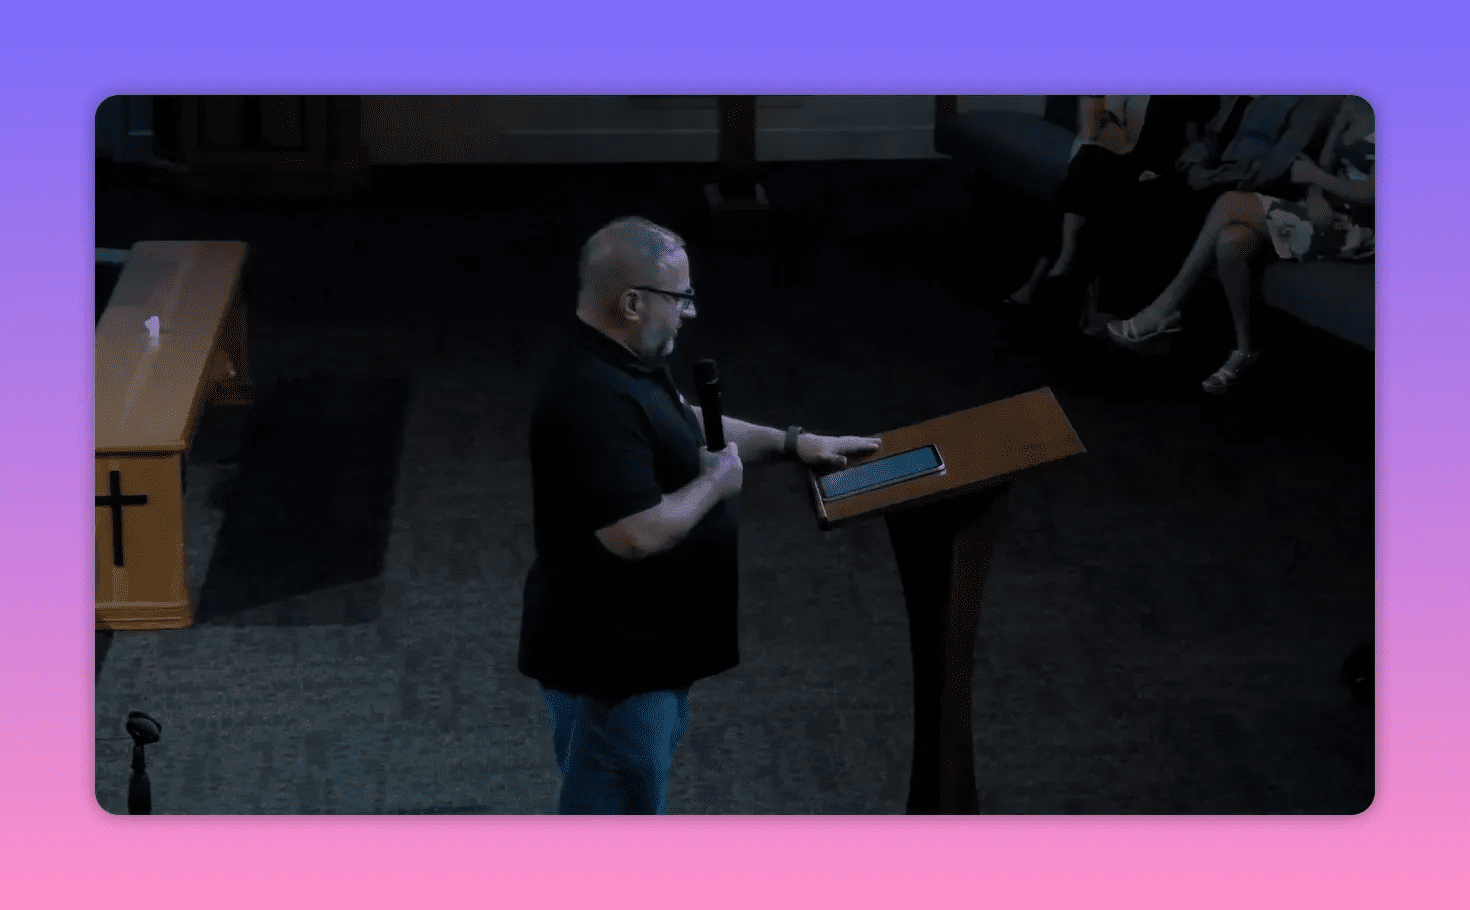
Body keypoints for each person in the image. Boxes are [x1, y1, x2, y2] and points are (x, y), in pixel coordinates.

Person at [518, 215, 882, 814]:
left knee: (621, 803)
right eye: (681, 297)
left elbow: (678, 419)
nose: (690, 312)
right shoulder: (592, 398)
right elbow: (633, 534)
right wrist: (714, 485)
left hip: (640, 653)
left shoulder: (618, 362)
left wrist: (794, 443)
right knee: (614, 821)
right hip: (615, 667)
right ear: (633, 302)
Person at [1103, 96, 1373, 394]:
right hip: (1318, 212)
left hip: (1357, 229)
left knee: (1228, 203)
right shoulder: (1351, 105)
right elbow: (1320, 165)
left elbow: (1370, 192)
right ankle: (1245, 349)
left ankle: (1163, 310)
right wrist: (1315, 194)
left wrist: (1318, 179)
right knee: (1231, 240)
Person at [1003, 95, 1218, 317]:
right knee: (1089, 165)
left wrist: (1193, 155)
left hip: (1148, 165)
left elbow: (1194, 136)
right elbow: (1098, 127)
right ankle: (1079, 285)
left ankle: (1043, 276)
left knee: (1088, 174)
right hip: (1113, 153)